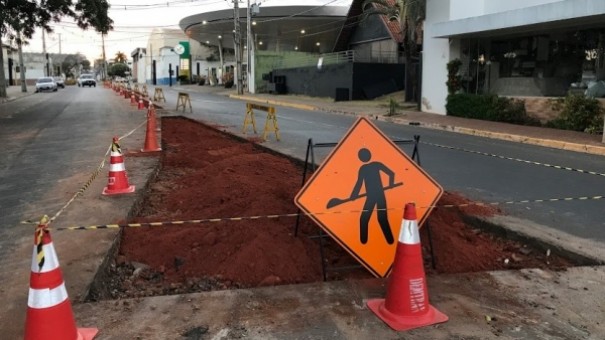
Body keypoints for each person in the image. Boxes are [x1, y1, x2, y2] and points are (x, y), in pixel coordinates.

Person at [349, 148, 395, 245]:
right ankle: (390, 241)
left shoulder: (364, 168)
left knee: (364, 219)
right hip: (378, 195)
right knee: (381, 219)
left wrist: (354, 195)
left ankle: (363, 242)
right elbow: (391, 174)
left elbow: (359, 184)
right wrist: (391, 184)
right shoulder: (375, 165)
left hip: (373, 196)